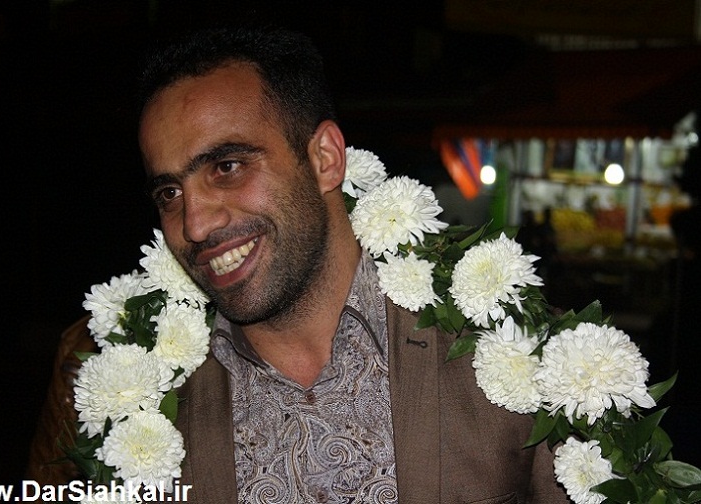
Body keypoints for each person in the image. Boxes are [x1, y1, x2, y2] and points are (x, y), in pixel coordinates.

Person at [134, 27, 568, 503]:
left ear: (325, 158)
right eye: (169, 193)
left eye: (227, 167)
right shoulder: (147, 408)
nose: (195, 224)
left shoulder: (514, 360)